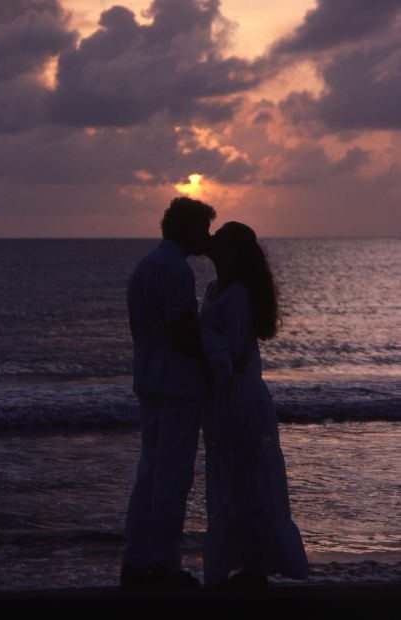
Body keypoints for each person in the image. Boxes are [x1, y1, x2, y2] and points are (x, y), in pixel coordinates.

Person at [200, 221, 309, 589]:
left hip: (242, 399)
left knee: (251, 482)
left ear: (233, 252)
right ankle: (240, 565)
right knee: (228, 483)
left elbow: (229, 353)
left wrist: (196, 337)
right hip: (222, 398)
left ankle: (255, 567)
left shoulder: (240, 295)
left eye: (220, 240)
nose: (212, 243)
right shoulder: (213, 289)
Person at [120, 196, 216, 591]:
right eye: (203, 229)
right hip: (176, 386)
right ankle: (162, 564)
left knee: (149, 473)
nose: (207, 237)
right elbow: (181, 332)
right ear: (187, 229)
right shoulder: (176, 271)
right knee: (173, 478)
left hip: (149, 381)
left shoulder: (145, 266)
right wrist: (214, 359)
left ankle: (137, 560)